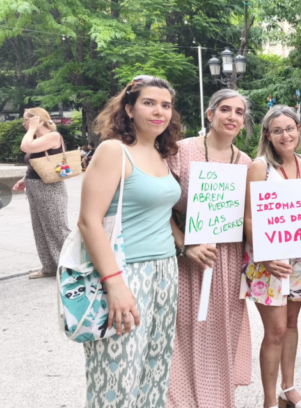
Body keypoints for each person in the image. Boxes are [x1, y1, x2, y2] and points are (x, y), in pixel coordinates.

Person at [79, 75, 182, 407]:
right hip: (125, 271)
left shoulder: (160, 153)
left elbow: (159, 210)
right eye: (148, 103)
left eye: (165, 105)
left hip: (165, 270)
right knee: (117, 374)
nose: (159, 111)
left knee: (155, 369)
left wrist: (183, 244)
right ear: (129, 108)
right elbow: (88, 221)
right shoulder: (114, 151)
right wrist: (115, 283)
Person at [166, 89, 253, 407]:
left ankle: (216, 398)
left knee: (220, 330)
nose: (232, 117)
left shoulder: (244, 162)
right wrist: (184, 245)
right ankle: (181, 399)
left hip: (226, 258)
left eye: (239, 112)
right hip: (187, 255)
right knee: (184, 328)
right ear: (210, 114)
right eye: (226, 109)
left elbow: (248, 216)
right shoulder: (180, 151)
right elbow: (159, 205)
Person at [243, 105, 301, 408]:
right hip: (267, 261)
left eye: (290, 128)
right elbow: (247, 219)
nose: (285, 134)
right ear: (268, 135)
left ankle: (290, 387)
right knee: (274, 331)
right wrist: (264, 255)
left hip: (300, 260)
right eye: (277, 130)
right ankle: (269, 399)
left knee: (291, 324)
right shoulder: (260, 167)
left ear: (299, 129)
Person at [14, 108, 71, 279]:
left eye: (26, 120)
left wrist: (32, 129)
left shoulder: (53, 136)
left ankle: (69, 266)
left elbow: (25, 147)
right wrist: (25, 178)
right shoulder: (39, 139)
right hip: (35, 186)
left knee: (57, 227)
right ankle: (49, 266)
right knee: (40, 227)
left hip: (50, 188)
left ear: (36, 120)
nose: (24, 123)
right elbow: (37, 164)